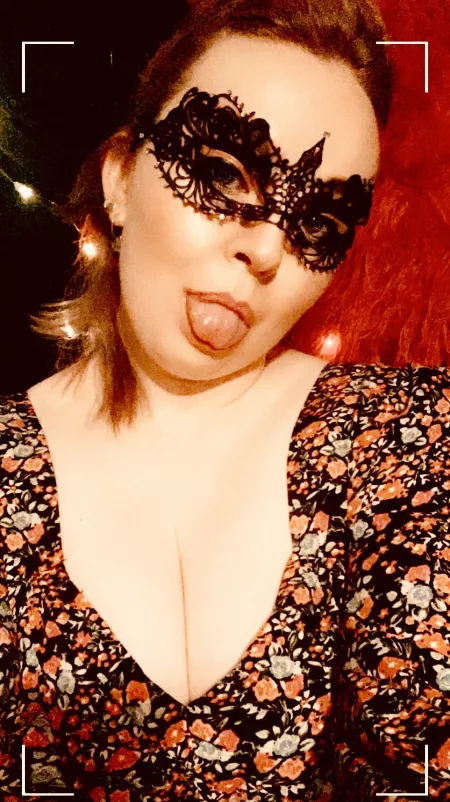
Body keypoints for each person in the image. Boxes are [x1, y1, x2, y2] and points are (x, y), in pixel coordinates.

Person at [0, 1, 449, 800]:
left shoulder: (406, 444)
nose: (269, 248)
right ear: (119, 178)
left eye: (319, 220)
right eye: (225, 175)